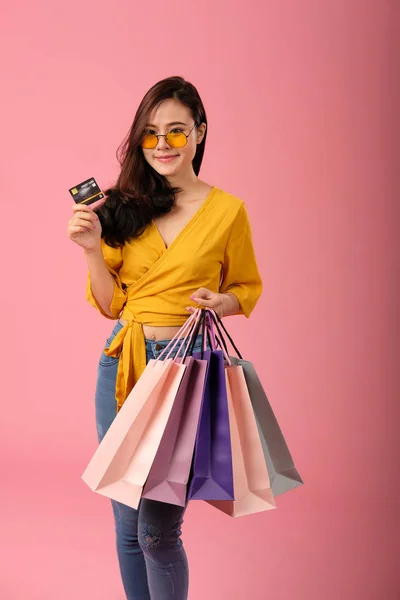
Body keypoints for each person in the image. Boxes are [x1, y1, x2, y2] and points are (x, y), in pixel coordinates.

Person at [67, 75, 263, 600]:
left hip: (184, 373)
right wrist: (90, 248)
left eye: (176, 132)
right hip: (123, 363)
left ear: (199, 133)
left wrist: (221, 300)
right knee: (127, 527)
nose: (162, 145)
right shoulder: (122, 207)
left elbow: (244, 286)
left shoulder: (227, 211)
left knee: (157, 531)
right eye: (151, 134)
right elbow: (110, 304)